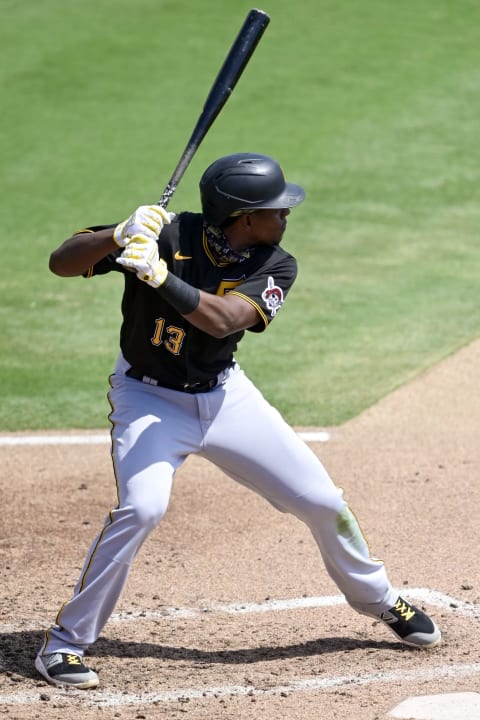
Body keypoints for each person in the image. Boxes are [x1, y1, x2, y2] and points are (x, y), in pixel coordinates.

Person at [36, 153, 441, 690]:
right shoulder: (165, 233)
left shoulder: (276, 264)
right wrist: (118, 233)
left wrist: (158, 279)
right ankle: (64, 645)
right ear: (243, 217)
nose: (287, 216)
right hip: (147, 399)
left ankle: (379, 597)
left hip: (225, 397)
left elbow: (226, 319)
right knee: (142, 507)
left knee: (322, 500)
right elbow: (60, 262)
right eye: (278, 209)